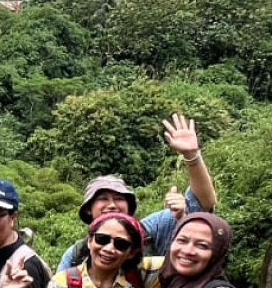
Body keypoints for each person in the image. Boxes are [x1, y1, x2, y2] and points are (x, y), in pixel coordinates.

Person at [57, 114, 217, 268]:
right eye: (103, 199)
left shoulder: (152, 230)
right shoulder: (75, 256)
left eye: (119, 198)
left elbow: (203, 202)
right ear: (88, 210)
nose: (112, 205)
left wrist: (192, 156)